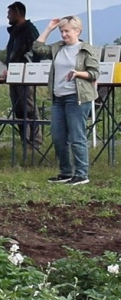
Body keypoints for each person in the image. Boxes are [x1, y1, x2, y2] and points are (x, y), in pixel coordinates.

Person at [32, 16, 99, 186]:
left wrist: (78, 73)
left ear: (77, 31)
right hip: (58, 98)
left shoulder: (86, 50)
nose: (63, 34)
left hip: (76, 98)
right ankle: (66, 172)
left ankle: (82, 173)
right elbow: (37, 48)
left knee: (77, 136)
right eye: (62, 31)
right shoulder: (57, 48)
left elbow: (94, 73)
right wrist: (49, 29)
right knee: (58, 137)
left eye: (67, 31)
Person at [3, 1, 42, 148]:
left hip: (26, 75)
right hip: (14, 75)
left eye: (10, 13)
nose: (8, 16)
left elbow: (34, 53)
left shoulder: (29, 31)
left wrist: (28, 70)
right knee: (18, 108)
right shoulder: (15, 31)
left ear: (18, 12)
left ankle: (35, 141)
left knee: (29, 107)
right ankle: (24, 140)